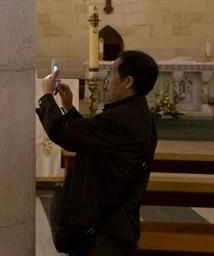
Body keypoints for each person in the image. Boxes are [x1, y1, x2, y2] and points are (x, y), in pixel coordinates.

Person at [37, 50, 159, 255]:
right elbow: (91, 140)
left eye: (111, 73)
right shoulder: (133, 112)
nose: (107, 81)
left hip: (105, 232)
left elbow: (64, 134)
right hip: (109, 223)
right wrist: (69, 107)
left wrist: (46, 96)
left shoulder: (123, 118)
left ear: (128, 82)